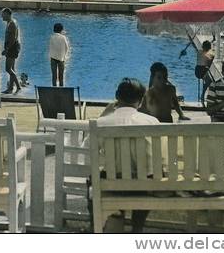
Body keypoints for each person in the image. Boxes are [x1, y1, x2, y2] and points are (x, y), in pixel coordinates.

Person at [83, 78, 160, 233]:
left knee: (93, 179)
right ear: (141, 100)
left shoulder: (102, 123)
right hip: (144, 186)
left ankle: (95, 226)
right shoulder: (151, 122)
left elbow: (87, 148)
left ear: (117, 97)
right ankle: (137, 228)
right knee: (148, 174)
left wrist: (103, 114)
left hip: (112, 184)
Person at [1, 8, 22, 94]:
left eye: (3, 14)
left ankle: (13, 87)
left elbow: (13, 38)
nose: (1, 16)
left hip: (12, 47)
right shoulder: (10, 22)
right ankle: (15, 87)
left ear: (7, 14)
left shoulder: (12, 24)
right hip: (12, 47)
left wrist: (7, 49)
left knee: (8, 68)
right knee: (12, 68)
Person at [49, 23, 71, 87]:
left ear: (54, 29)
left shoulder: (52, 37)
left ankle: (54, 88)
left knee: (54, 75)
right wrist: (64, 56)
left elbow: (50, 47)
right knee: (61, 76)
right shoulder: (63, 37)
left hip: (53, 58)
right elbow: (67, 47)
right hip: (61, 59)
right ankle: (61, 88)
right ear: (61, 30)